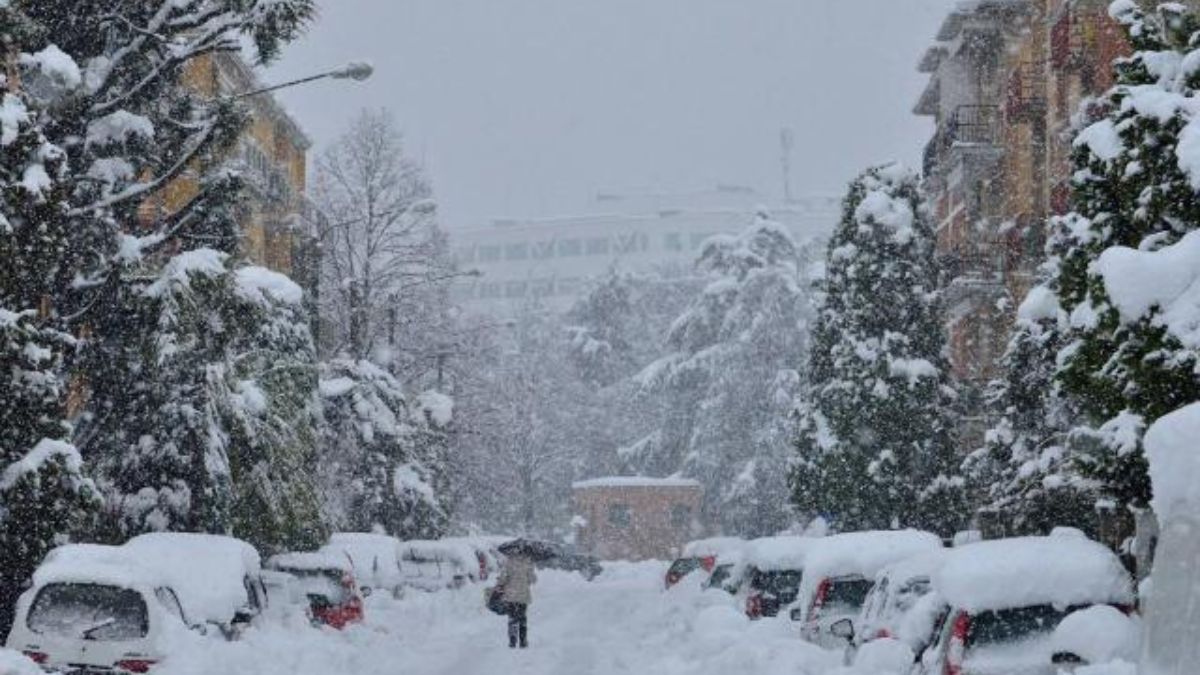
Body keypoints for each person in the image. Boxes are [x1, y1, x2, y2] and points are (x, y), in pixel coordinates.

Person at [496, 552, 537, 648]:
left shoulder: (509, 562)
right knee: (522, 618)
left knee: (512, 618)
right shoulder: (528, 562)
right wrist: (531, 570)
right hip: (523, 596)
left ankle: (512, 641)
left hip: (511, 595)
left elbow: (503, 578)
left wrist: (499, 582)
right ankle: (523, 641)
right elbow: (533, 580)